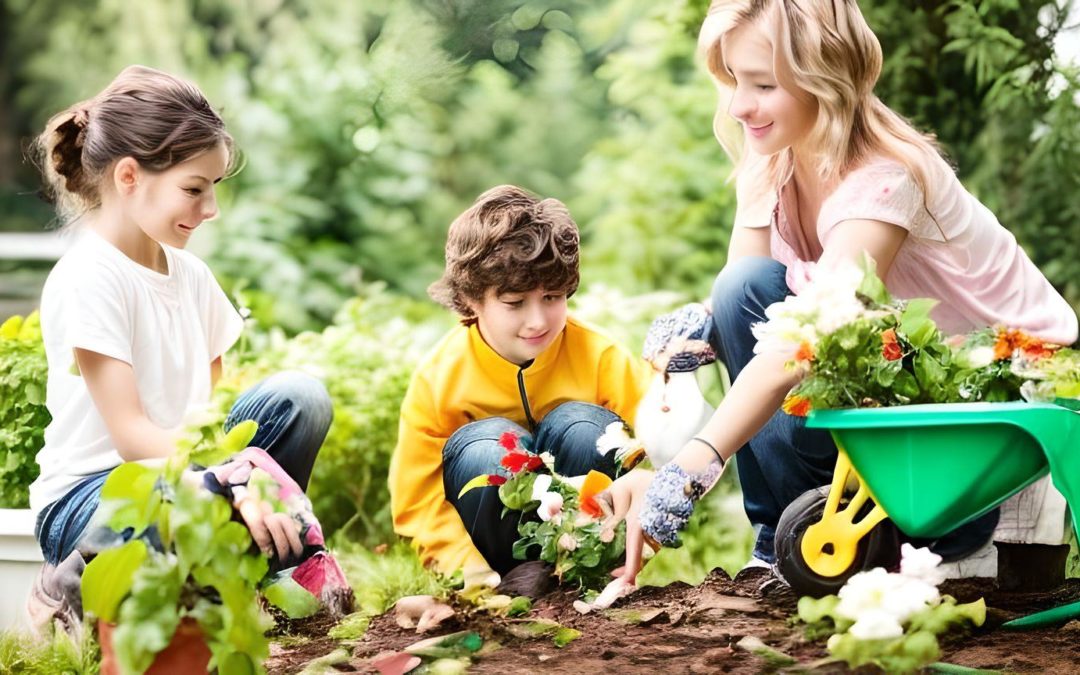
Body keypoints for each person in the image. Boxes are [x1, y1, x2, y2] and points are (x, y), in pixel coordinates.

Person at [602, 0, 1079, 590]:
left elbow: (800, 338)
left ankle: (840, 537)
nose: (739, 106)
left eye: (763, 84)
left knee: (772, 328)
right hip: (894, 383)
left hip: (984, 420)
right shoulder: (772, 155)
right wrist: (698, 335)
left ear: (823, 77)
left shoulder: (886, 176)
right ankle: (780, 539)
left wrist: (693, 465)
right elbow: (745, 293)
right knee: (739, 293)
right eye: (733, 80)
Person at [29, 66, 333, 575]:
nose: (210, 207)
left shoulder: (191, 275)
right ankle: (74, 581)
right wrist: (235, 476)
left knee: (300, 398)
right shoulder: (90, 275)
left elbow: (208, 419)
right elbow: (131, 436)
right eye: (194, 188)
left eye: (213, 186)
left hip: (185, 477)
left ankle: (248, 564)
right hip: (91, 500)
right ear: (128, 177)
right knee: (198, 494)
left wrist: (239, 471)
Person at [389, 185, 653, 591]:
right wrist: (468, 571)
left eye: (552, 297)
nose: (537, 321)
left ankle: (591, 574)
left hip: (589, 536)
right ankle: (513, 582)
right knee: (489, 443)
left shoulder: (602, 357)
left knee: (586, 426)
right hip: (492, 556)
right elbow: (418, 501)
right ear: (471, 299)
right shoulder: (439, 378)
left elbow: (665, 462)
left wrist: (641, 542)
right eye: (514, 303)